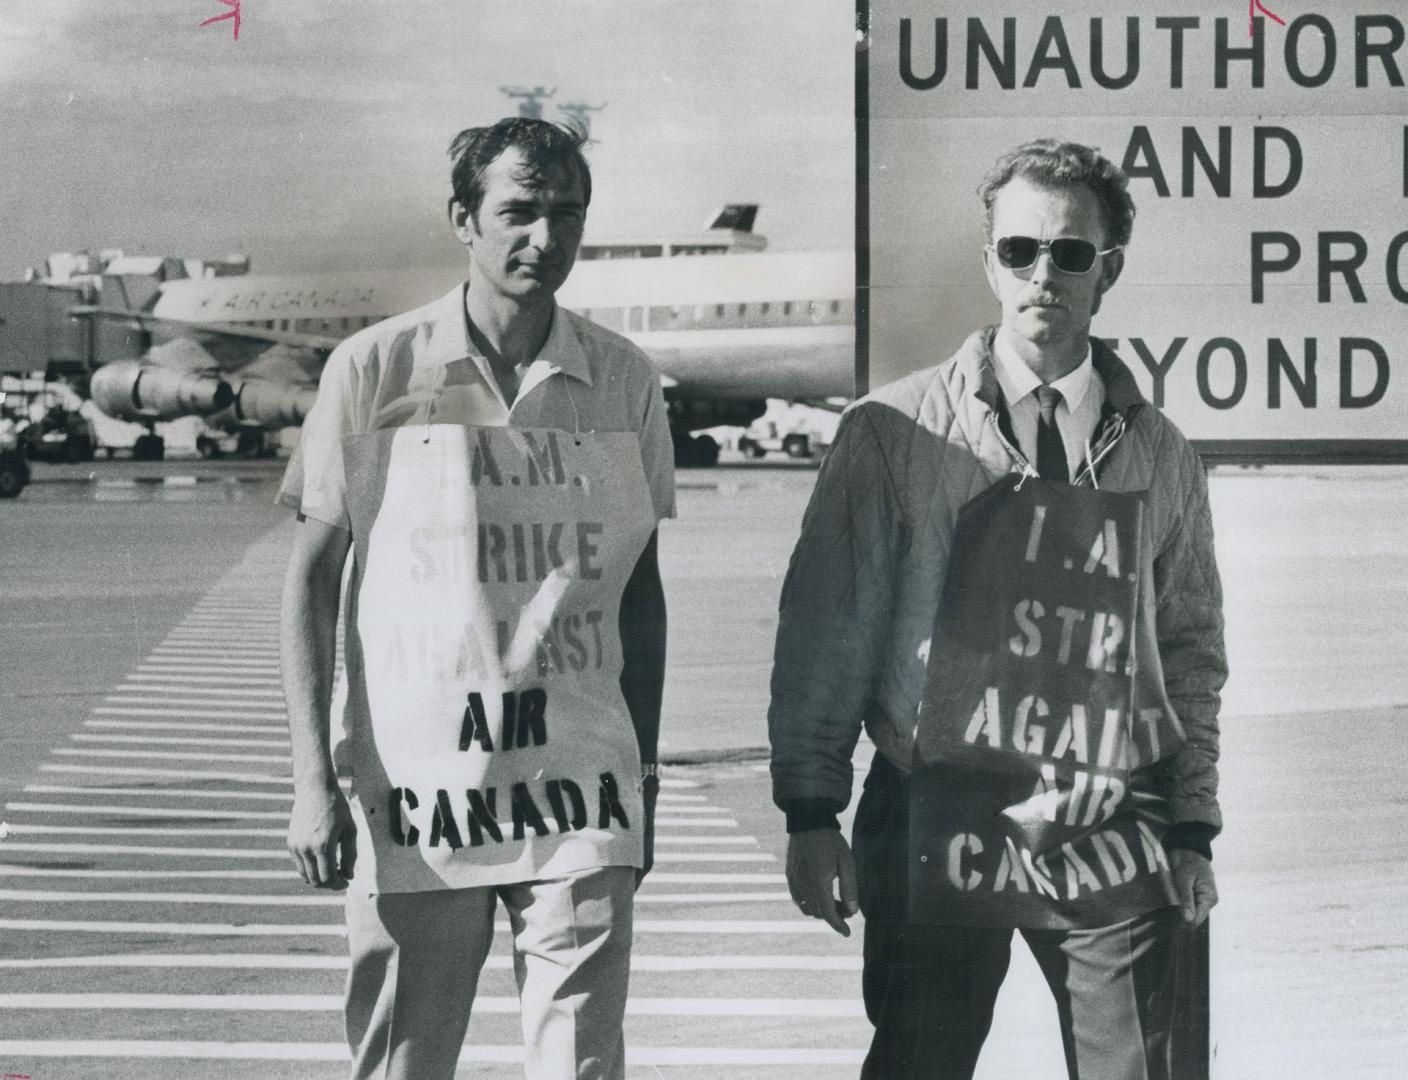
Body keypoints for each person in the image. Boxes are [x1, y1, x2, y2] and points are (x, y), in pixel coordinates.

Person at [768, 139, 1226, 1079]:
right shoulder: (892, 434)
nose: (1042, 274)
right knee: (921, 1063)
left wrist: (1190, 825)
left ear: (1110, 269)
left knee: (1147, 1067)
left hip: (1110, 814)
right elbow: (827, 633)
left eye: (1070, 253)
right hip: (936, 803)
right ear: (990, 263)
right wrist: (811, 811)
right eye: (1019, 251)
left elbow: (1188, 651)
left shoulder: (1161, 451)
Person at [278, 117, 674, 1080]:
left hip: (576, 786)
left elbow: (640, 590)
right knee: (406, 1061)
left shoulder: (620, 379)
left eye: (568, 215)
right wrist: (311, 784)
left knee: (579, 1063)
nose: (546, 237)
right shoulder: (373, 370)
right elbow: (310, 577)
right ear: (463, 218)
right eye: (520, 212)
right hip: (418, 790)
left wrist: (645, 771)